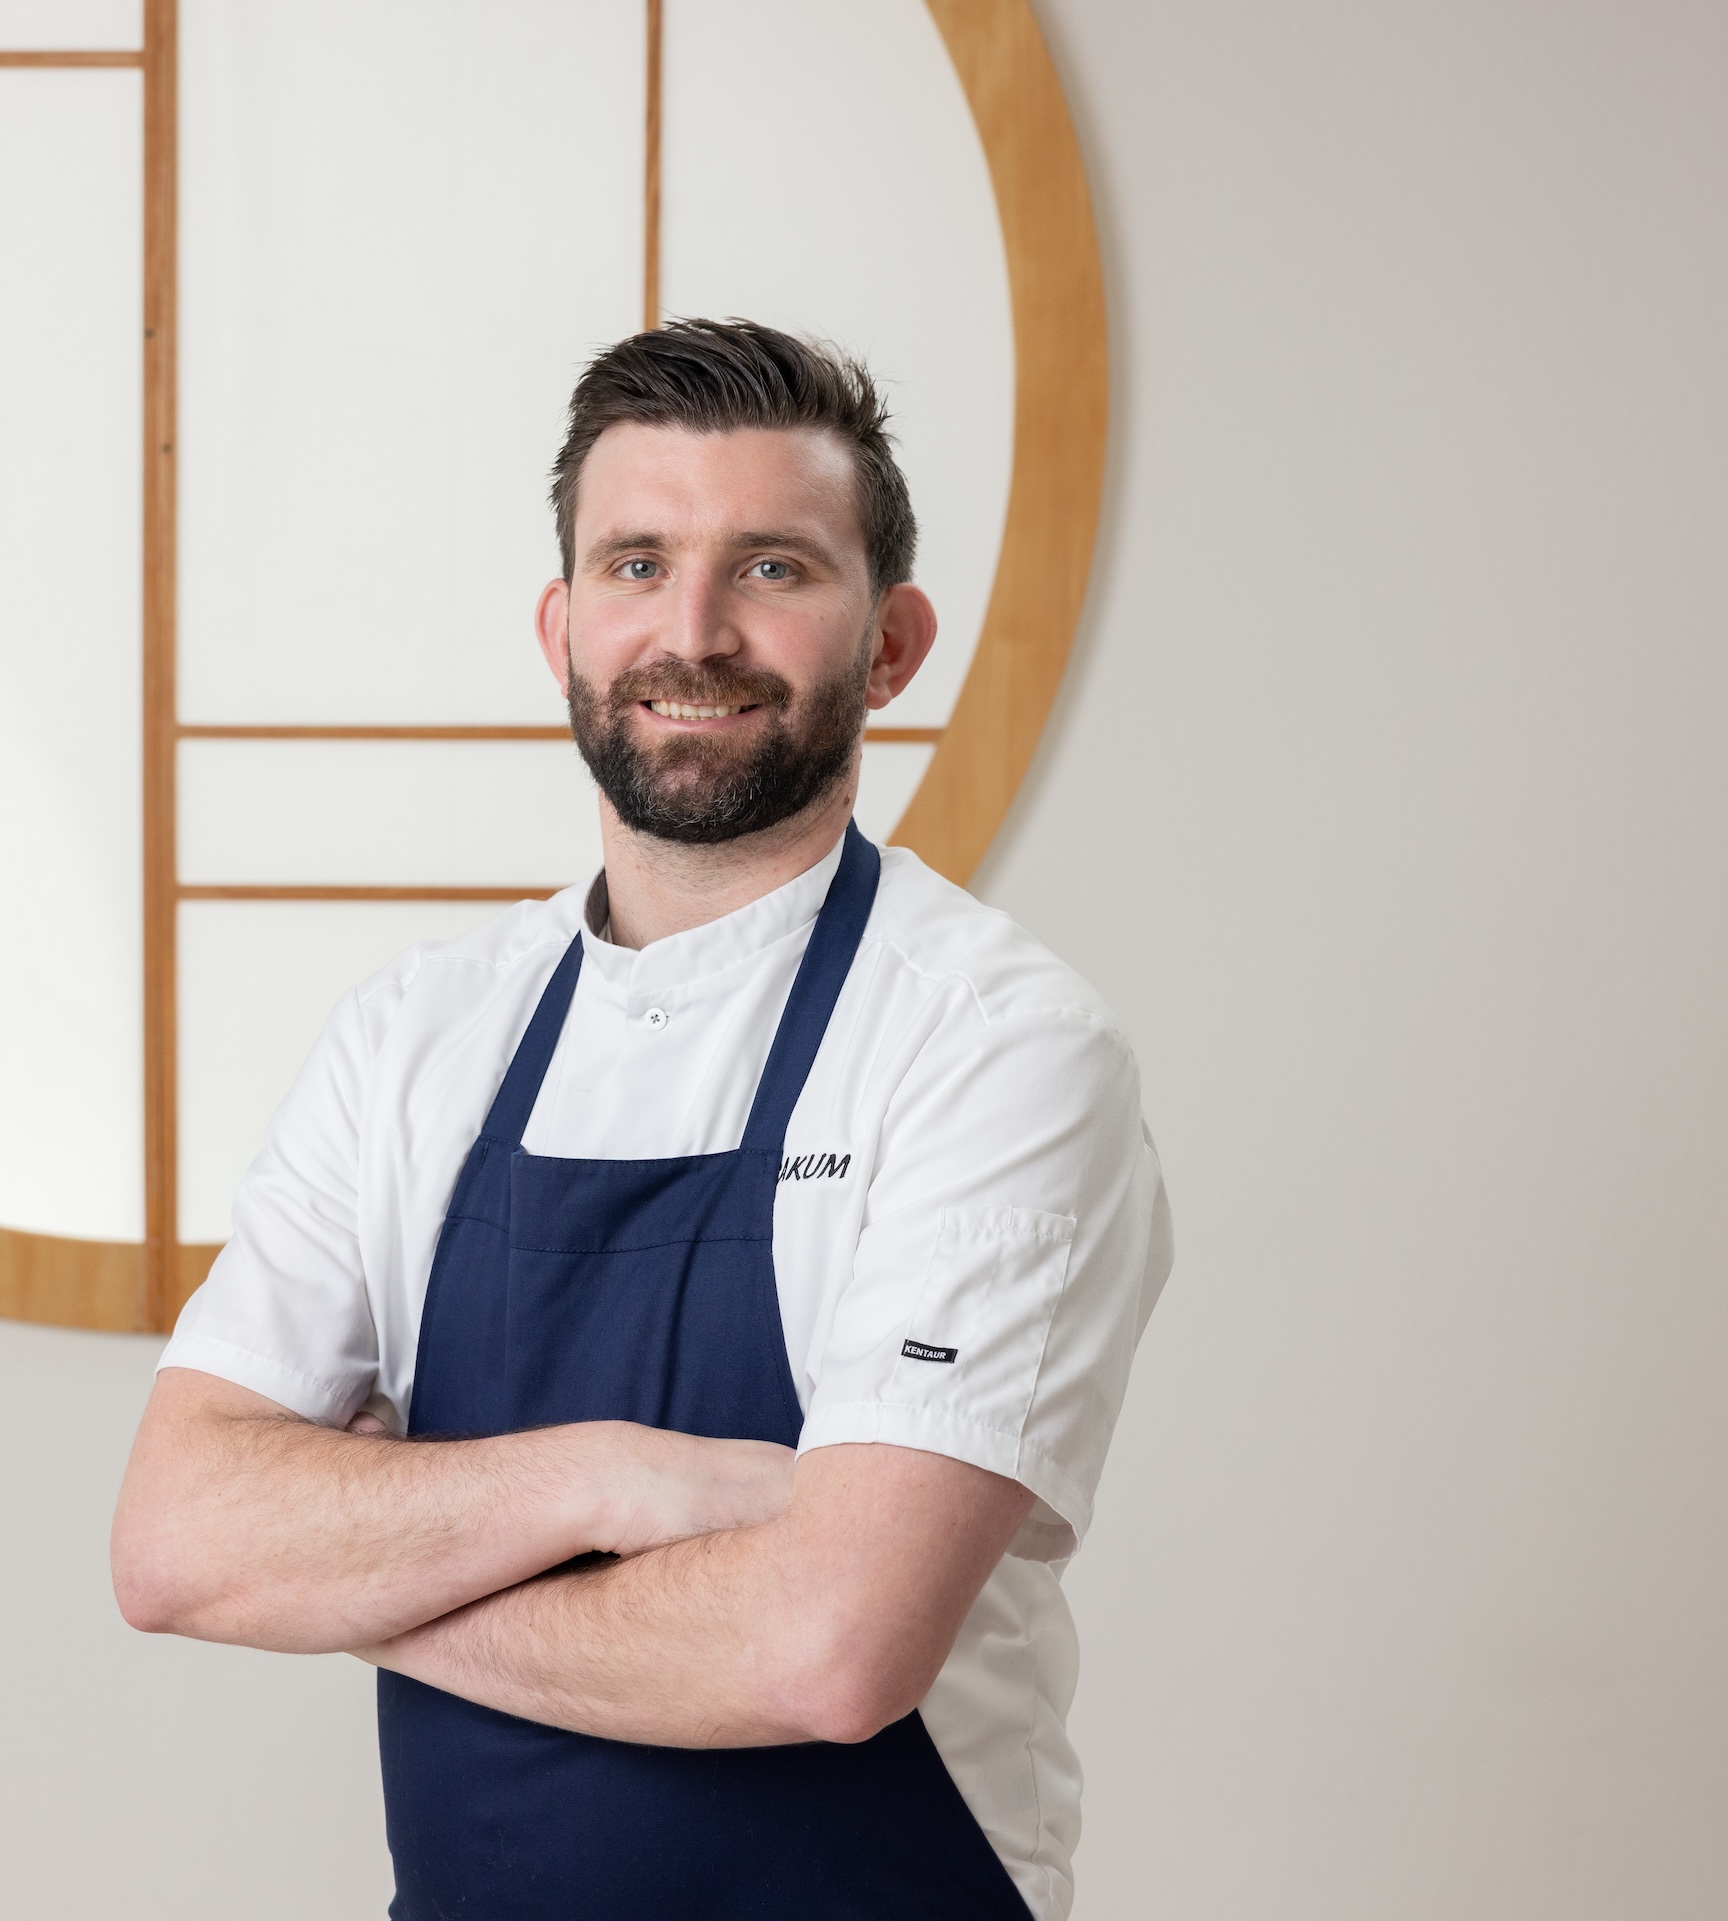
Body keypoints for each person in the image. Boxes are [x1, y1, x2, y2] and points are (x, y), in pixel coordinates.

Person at [111, 319, 1172, 1921]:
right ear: (562, 629)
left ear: (892, 642)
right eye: (636, 564)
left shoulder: (994, 1046)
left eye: (772, 568)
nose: (693, 631)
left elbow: (829, 1646)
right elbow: (176, 1538)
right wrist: (612, 1479)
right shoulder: (414, 1037)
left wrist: (366, 1584)